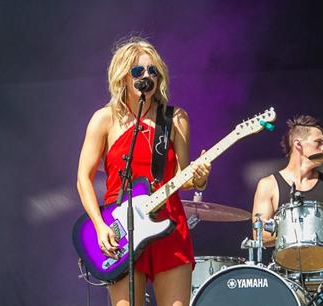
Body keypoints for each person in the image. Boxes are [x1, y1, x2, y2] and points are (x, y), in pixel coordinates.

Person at [76, 37, 211, 306]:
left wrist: (200, 177)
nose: (146, 76)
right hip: (121, 225)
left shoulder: (175, 118)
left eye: (153, 71)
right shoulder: (104, 119)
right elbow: (83, 178)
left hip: (168, 222)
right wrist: (99, 226)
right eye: (138, 71)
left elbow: (185, 178)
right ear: (123, 77)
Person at [252, 114, 323, 250]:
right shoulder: (268, 185)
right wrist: (308, 234)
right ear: (298, 144)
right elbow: (259, 236)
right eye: (319, 142)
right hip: (285, 269)